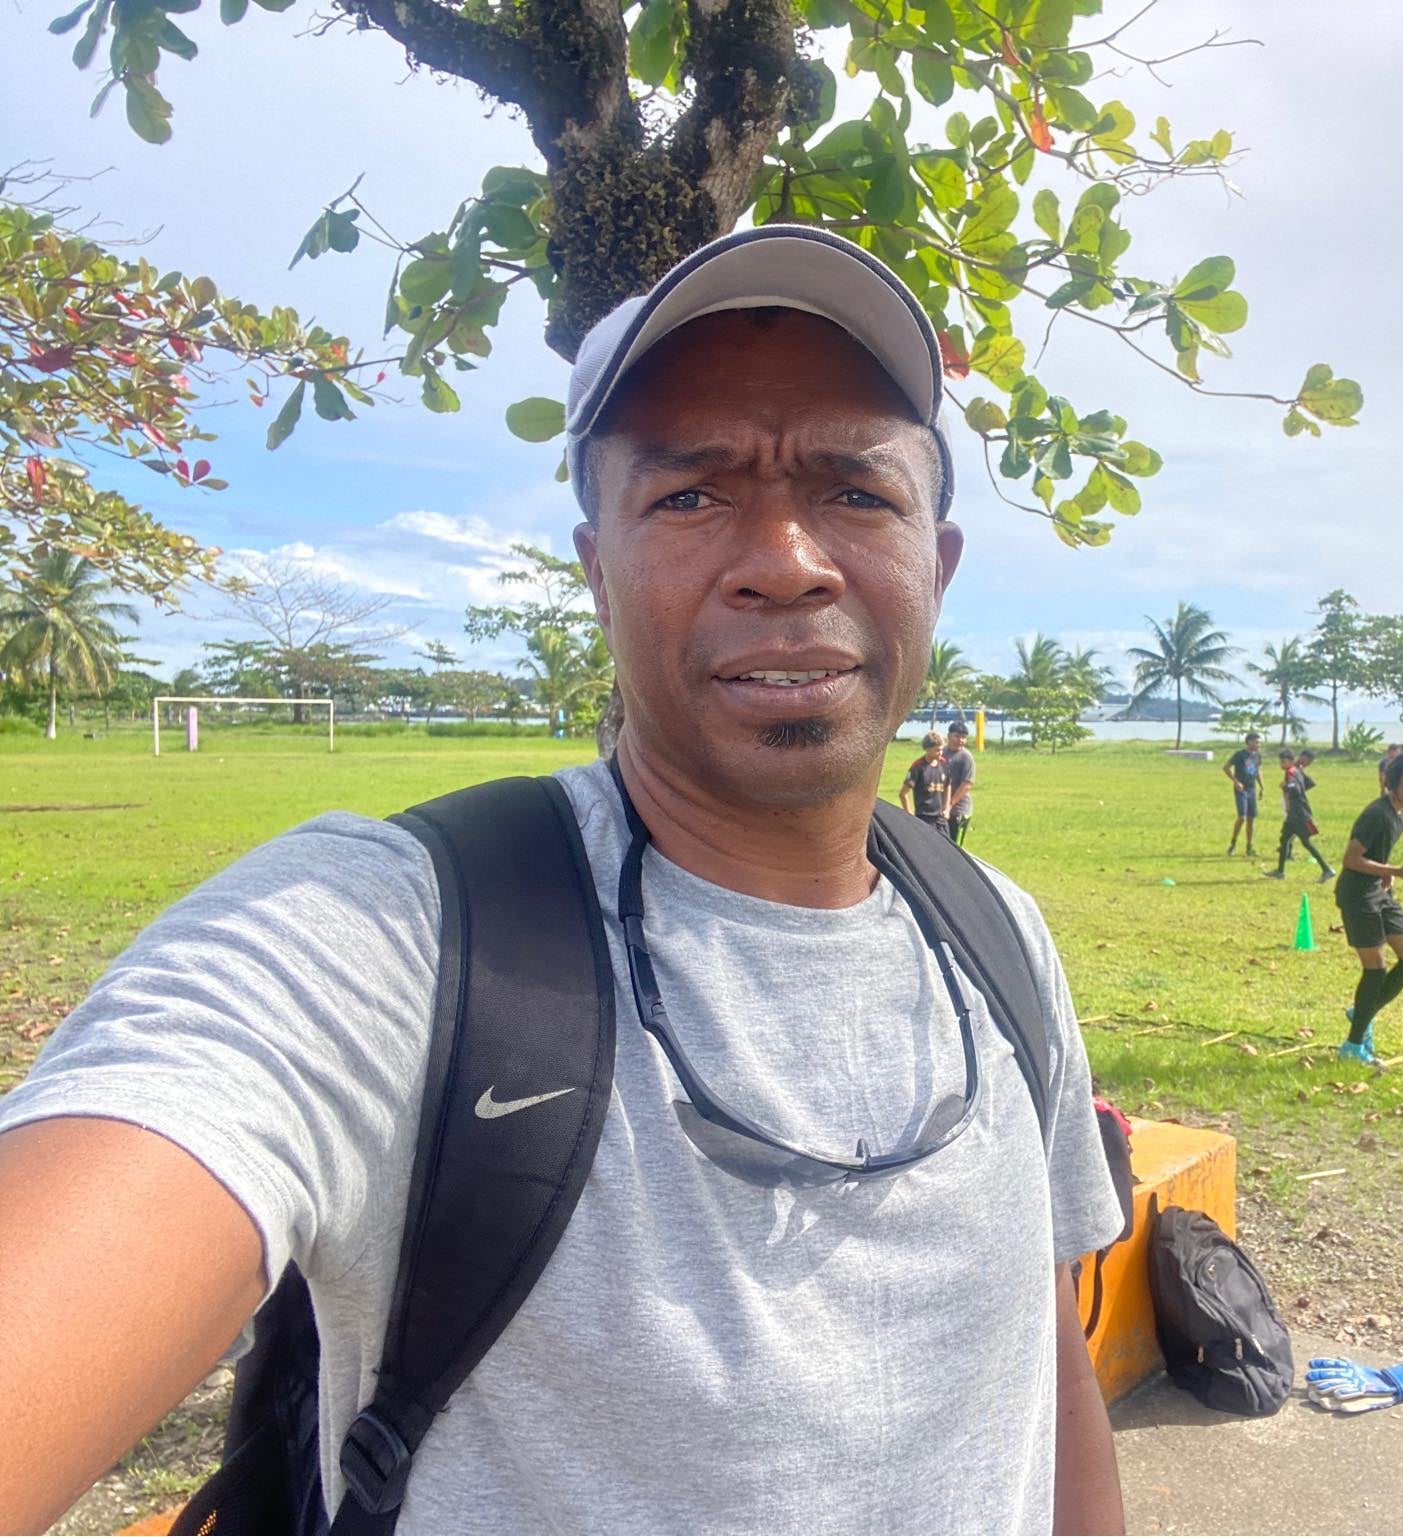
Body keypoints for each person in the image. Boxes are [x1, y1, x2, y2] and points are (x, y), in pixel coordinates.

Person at [0, 227, 1126, 1535]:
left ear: (937, 563)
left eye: (856, 492)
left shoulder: (998, 938)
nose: (785, 559)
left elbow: (1043, 1380)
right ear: (599, 574)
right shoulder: (391, 937)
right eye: (690, 496)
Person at [1334, 749, 1403, 1064]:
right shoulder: (1377, 813)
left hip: (1379, 891)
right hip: (1357, 895)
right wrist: (1394, 871)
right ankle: (1353, 1048)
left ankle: (1363, 1011)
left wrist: (1386, 874)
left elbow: (1375, 853)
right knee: (1375, 970)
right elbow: (1351, 859)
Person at [1268, 748, 1335, 882]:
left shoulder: (1292, 772)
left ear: (1291, 761)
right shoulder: (1297, 770)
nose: (1281, 764)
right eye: (1280, 761)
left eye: (1283, 761)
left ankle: (1327, 869)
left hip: (1298, 815)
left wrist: (1285, 787)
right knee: (1285, 839)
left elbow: (1295, 789)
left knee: (1305, 842)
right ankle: (1280, 872)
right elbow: (1308, 784)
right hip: (1295, 813)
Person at [900, 729, 952, 834]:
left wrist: (946, 809)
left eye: (941, 749)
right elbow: (903, 793)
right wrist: (910, 816)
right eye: (937, 750)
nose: (940, 753)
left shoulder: (944, 764)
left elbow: (948, 786)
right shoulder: (918, 767)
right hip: (924, 818)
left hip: (940, 819)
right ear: (928, 749)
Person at [1224, 731, 1263, 859]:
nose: (1259, 745)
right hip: (1241, 790)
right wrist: (1236, 782)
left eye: (1259, 742)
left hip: (1252, 789)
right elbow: (1226, 768)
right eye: (1257, 742)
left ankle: (1249, 847)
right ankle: (1232, 844)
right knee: (1242, 818)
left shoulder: (1257, 756)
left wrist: (1262, 787)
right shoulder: (1240, 755)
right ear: (1249, 742)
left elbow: (1257, 771)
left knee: (1251, 819)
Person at [943, 719, 977, 845]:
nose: (960, 740)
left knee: (954, 846)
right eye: (957, 736)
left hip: (959, 810)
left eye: (963, 737)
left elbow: (967, 784)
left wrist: (950, 804)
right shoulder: (941, 753)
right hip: (941, 808)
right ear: (949, 736)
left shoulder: (966, 757)